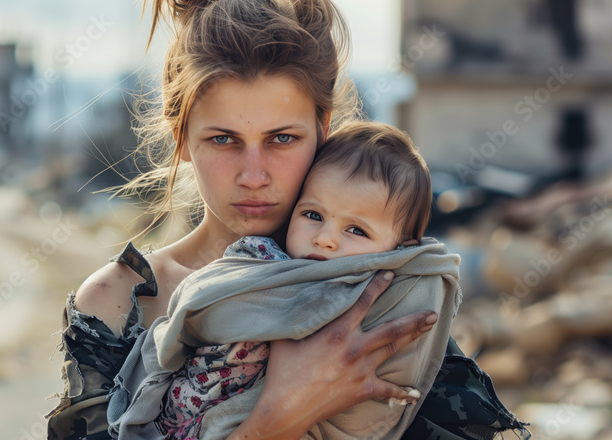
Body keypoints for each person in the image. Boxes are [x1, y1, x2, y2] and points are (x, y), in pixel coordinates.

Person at [45, 0, 527, 439]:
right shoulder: (117, 303)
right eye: (224, 139)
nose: (254, 175)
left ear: (323, 127)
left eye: (281, 139)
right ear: (182, 139)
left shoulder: (380, 280)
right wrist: (280, 416)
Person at [111, 122, 460, 439]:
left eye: (356, 230)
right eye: (313, 214)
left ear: (398, 249)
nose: (326, 238)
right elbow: (207, 303)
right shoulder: (258, 263)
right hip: (188, 415)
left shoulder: (391, 296)